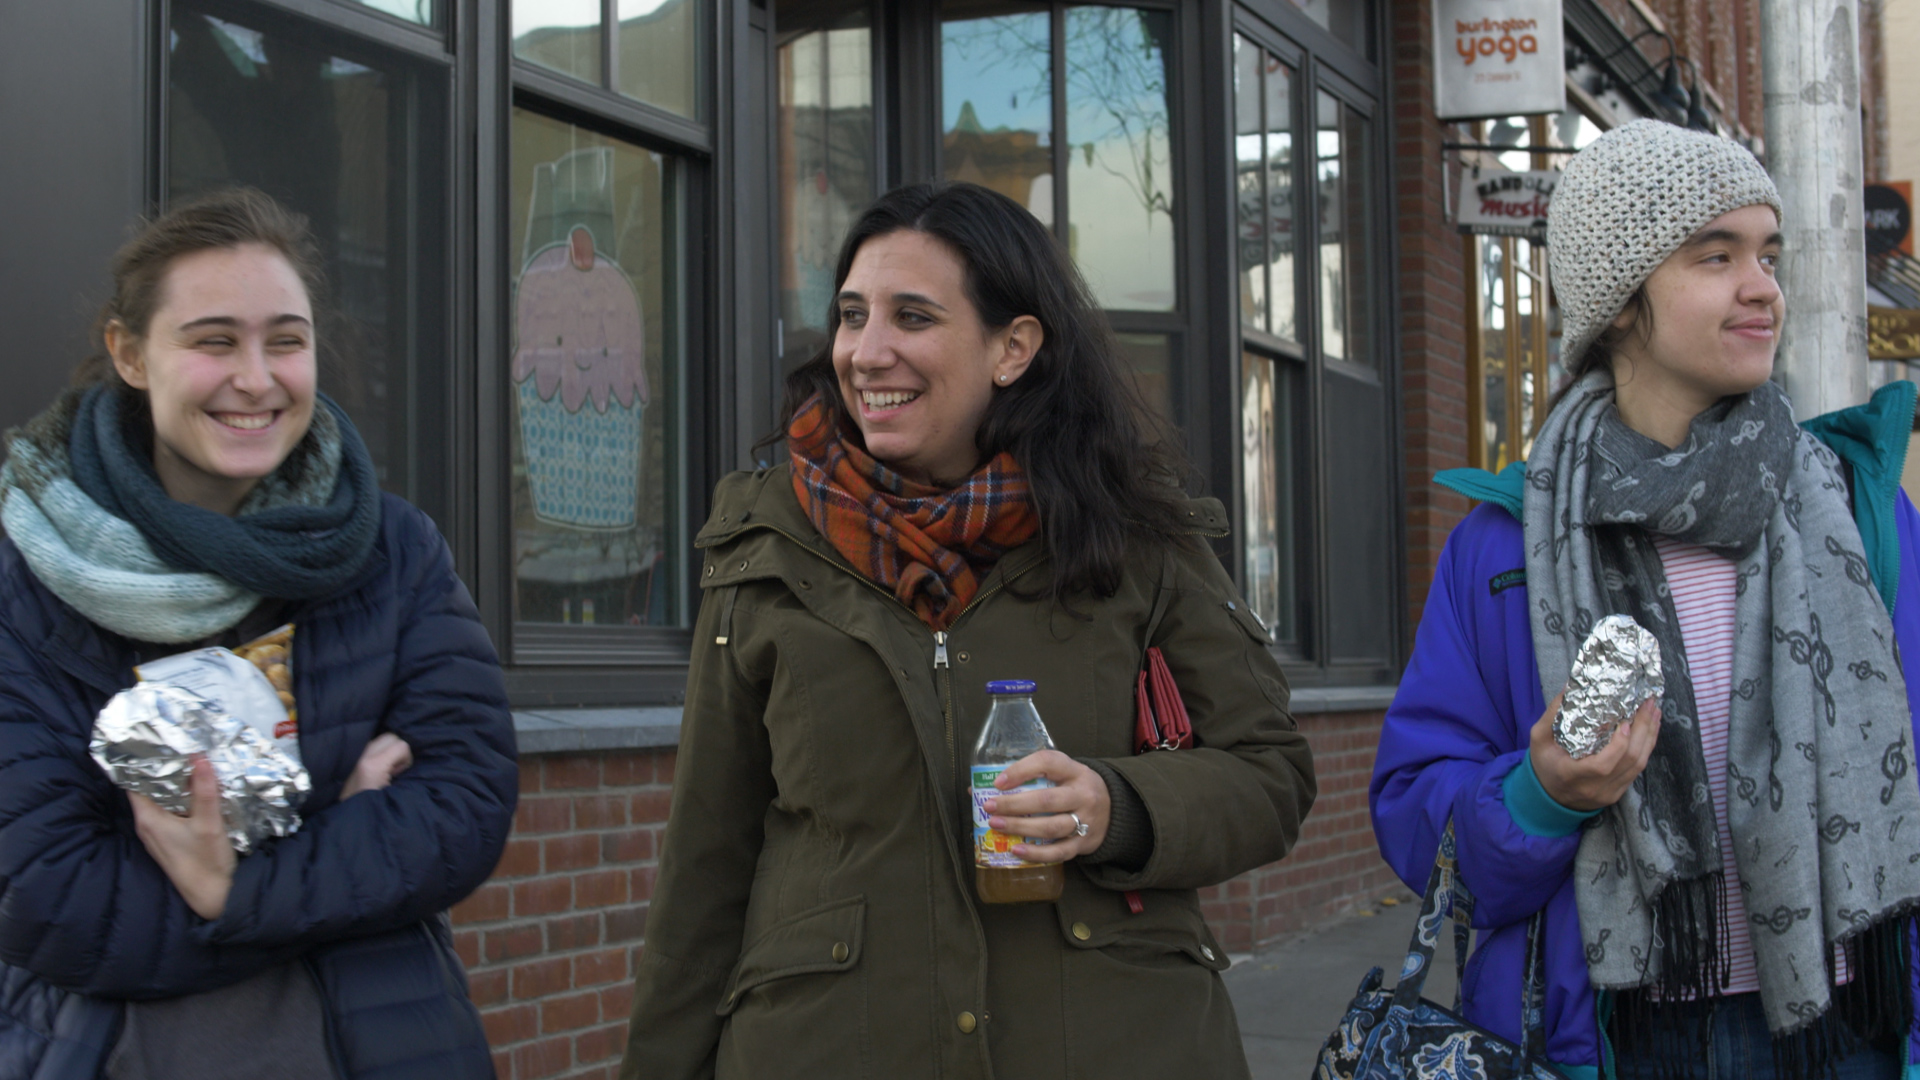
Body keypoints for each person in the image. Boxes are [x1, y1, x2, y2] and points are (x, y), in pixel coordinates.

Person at [619, 181, 1315, 1079]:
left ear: (1012, 348)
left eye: (912, 317)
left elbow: (1269, 774)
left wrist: (1119, 809)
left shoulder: (1137, 535)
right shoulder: (762, 547)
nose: (868, 354)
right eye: (851, 316)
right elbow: (702, 872)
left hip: (1116, 1044)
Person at [1370, 119, 1920, 1080]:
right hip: (1622, 1038)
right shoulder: (1502, 550)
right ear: (1621, 301)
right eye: (1717, 255)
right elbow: (1417, 814)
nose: (1763, 286)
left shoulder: (1859, 511)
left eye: (1767, 253)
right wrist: (1540, 798)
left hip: (1857, 1022)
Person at [0, 188, 517, 1079]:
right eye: (213, 341)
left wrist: (233, 885)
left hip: (383, 1042)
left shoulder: (391, 551)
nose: (256, 377)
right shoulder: (28, 572)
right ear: (129, 353)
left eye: (286, 340)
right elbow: (46, 890)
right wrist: (338, 830)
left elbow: (462, 805)